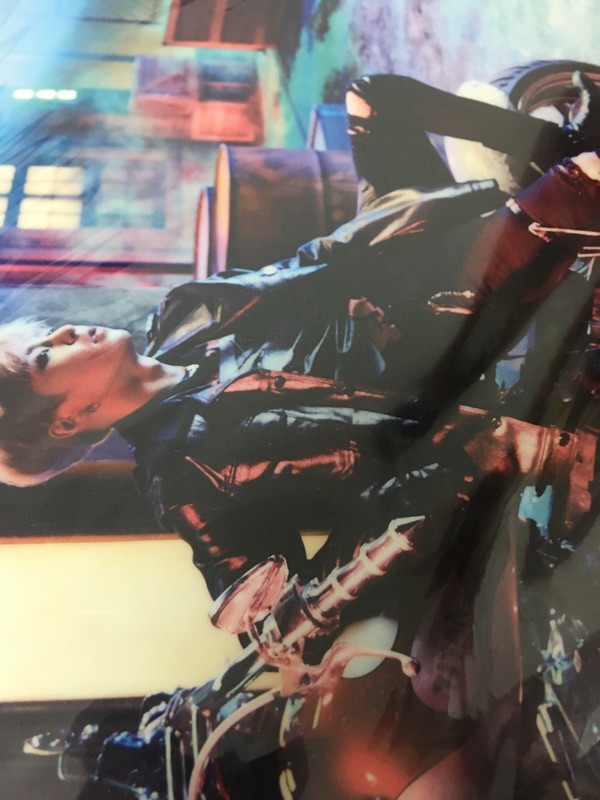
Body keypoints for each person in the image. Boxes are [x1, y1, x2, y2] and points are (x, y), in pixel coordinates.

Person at [1, 73, 600, 600]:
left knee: (372, 98)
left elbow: (308, 264)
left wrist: (395, 221)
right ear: (66, 421)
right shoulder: (182, 476)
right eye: (45, 355)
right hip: (447, 327)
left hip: (394, 263)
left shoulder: (180, 315)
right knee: (583, 184)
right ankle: (566, 176)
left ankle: (563, 141)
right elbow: (263, 597)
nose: (66, 330)